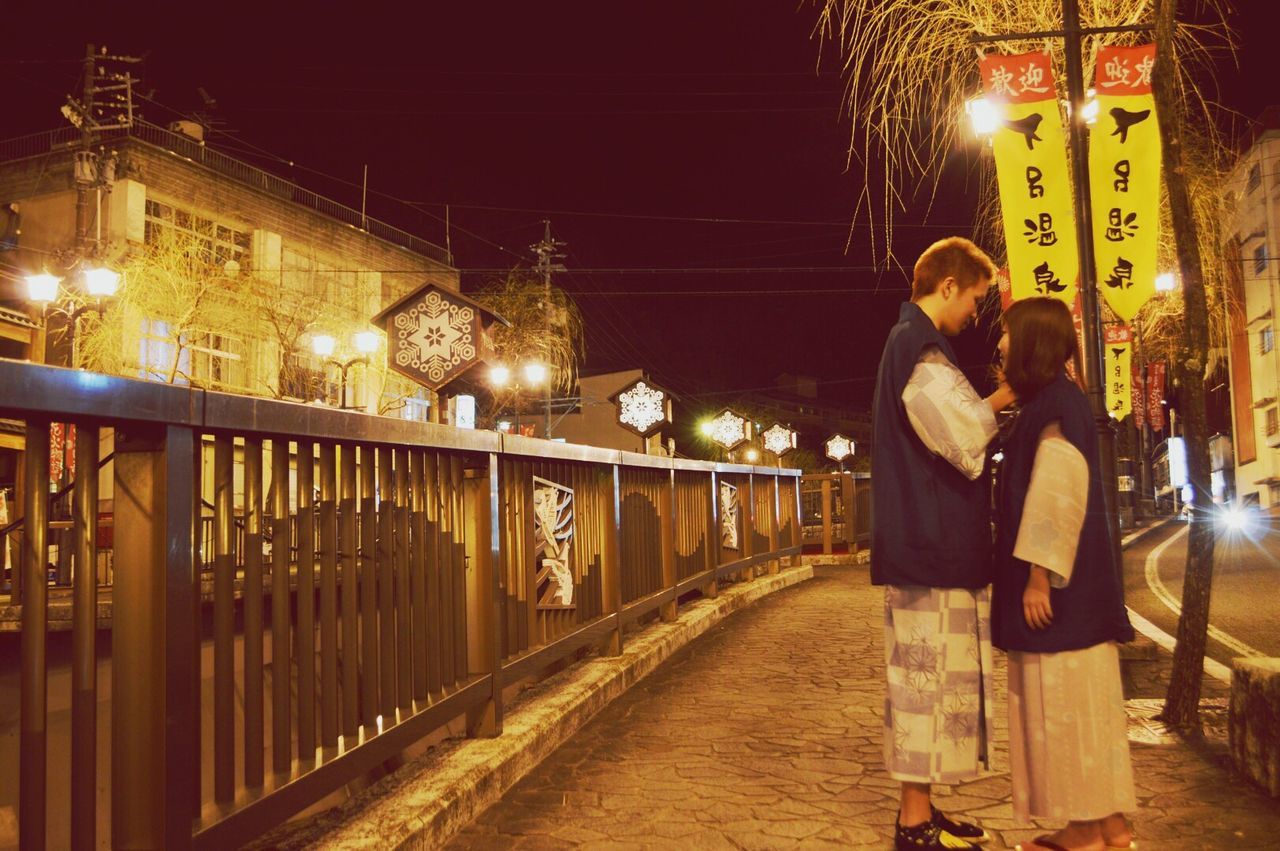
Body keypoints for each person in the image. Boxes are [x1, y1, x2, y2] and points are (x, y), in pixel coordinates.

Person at [871, 237, 1016, 851]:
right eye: (975, 300)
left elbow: (955, 427)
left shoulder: (912, 345)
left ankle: (923, 810)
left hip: (923, 544)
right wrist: (1016, 391)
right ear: (949, 285)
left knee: (928, 680)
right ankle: (913, 824)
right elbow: (961, 436)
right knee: (924, 683)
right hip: (928, 545)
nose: (974, 314)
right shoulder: (919, 347)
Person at [992, 297, 1137, 851]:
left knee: (1063, 709)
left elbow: (1057, 492)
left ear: (1030, 340)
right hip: (1083, 599)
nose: (1000, 346)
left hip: (1058, 598)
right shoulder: (1063, 401)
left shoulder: (1052, 406)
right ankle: (1110, 825)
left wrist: (1037, 575)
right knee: (1090, 705)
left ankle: (1081, 831)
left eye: (1007, 335)